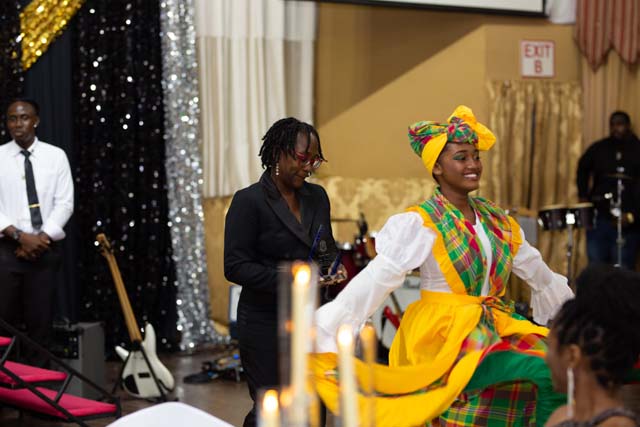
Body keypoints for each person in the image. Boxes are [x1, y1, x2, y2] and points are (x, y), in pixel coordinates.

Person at [311, 105, 574, 427]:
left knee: (557, 368)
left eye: (476, 156)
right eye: (461, 158)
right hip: (445, 335)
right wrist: (331, 324)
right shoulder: (422, 222)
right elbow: (380, 276)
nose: (473, 164)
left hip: (492, 325)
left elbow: (536, 271)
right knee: (543, 370)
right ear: (437, 167)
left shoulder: (496, 220)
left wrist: (572, 316)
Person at [224, 117, 344, 427]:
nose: (308, 168)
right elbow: (234, 266)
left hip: (312, 318)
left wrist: (333, 265)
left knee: (314, 405)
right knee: (271, 408)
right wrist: (292, 279)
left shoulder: (317, 197)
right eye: (303, 158)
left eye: (314, 161)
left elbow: (325, 247)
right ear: (278, 152)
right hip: (264, 321)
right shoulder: (248, 200)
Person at [0, 98, 74, 366]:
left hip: (44, 249)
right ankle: (6, 384)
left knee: (40, 324)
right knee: (3, 323)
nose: (17, 124)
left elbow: (65, 203)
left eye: (24, 117)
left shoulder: (56, 156)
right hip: (6, 250)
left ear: (36, 121)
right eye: (12, 119)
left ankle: (39, 387)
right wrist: (20, 237)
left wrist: (40, 240)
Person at [545, 264, 640, 427]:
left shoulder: (618, 425)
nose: (546, 358)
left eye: (550, 347)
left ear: (572, 356)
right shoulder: (561, 415)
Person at [577, 111, 640, 269]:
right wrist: (583, 195)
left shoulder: (637, 149)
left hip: (628, 221)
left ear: (628, 126)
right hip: (600, 217)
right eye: (612, 125)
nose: (615, 128)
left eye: (620, 124)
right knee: (596, 266)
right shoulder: (600, 148)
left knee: (623, 269)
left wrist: (633, 215)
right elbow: (582, 167)